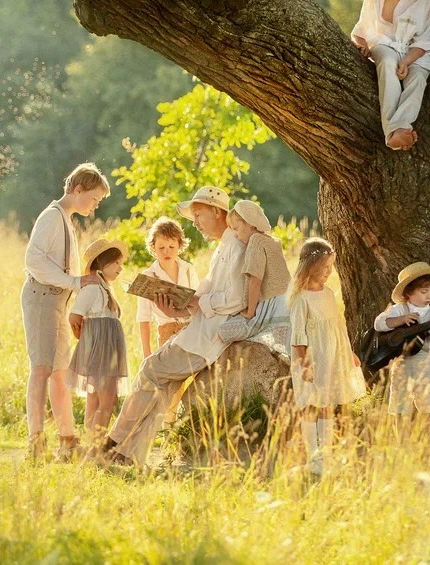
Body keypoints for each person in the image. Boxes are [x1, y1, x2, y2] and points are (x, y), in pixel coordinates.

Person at [102, 186, 246, 467]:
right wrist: (178, 306)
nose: (196, 223)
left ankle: (114, 441)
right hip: (197, 332)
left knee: (151, 369)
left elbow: (235, 298)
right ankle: (127, 455)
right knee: (162, 386)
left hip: (206, 338)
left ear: (217, 212)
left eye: (198, 215)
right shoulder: (222, 250)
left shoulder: (234, 248)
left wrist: (195, 303)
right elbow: (203, 296)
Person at [22, 163, 110, 462]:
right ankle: (35, 442)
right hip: (42, 298)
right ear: (78, 189)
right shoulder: (51, 217)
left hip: (58, 301)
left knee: (60, 372)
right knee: (42, 368)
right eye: (94, 199)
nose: (95, 206)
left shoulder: (67, 220)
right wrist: (74, 281)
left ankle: (68, 440)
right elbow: (34, 260)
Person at [349, 0, 430, 150]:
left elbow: (426, 39)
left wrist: (407, 61)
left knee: (417, 78)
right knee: (388, 63)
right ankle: (394, 131)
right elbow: (359, 31)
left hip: (415, 52)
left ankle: (397, 130)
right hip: (384, 45)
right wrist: (361, 46)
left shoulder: (425, 0)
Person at [289, 238, 366, 476]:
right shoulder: (301, 299)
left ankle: (327, 454)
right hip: (311, 360)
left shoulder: (329, 294)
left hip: (331, 357)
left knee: (327, 405)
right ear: (311, 266)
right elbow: (298, 336)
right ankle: (314, 456)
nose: (328, 272)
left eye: (331, 266)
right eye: (325, 267)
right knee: (311, 406)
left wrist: (348, 352)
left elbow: (338, 326)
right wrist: (305, 365)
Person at [67, 239, 130, 444]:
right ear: (102, 264)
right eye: (116, 263)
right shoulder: (93, 288)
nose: (120, 268)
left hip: (107, 349)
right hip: (100, 349)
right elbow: (75, 315)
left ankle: (91, 443)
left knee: (96, 398)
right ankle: (96, 444)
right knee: (107, 400)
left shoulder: (104, 289)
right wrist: (82, 336)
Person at [374, 262, 430, 417]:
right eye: (423, 291)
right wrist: (401, 320)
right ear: (408, 292)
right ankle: (401, 440)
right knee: (400, 407)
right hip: (401, 361)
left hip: (424, 361)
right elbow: (379, 324)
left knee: (428, 407)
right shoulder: (399, 309)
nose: (429, 296)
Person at [218, 200, 291, 349]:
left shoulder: (255, 241)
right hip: (288, 302)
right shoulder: (272, 241)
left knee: (223, 331)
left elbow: (255, 281)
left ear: (250, 223)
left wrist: (250, 312)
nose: (236, 236)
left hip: (272, 305)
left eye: (236, 229)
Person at [135, 217, 199, 357]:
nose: (166, 252)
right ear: (153, 247)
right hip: (166, 335)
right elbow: (144, 318)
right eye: (161, 248)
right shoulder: (148, 276)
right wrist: (147, 353)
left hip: (191, 333)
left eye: (171, 247)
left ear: (179, 245)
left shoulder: (188, 270)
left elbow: (198, 305)